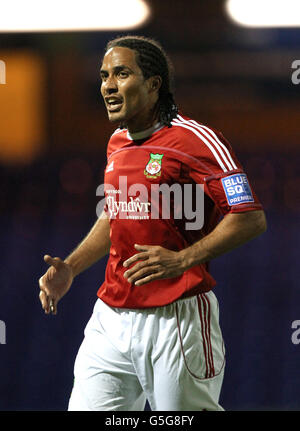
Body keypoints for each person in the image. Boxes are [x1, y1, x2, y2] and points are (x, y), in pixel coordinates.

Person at [39, 35, 267, 411]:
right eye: (103, 76)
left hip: (177, 320)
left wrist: (181, 260)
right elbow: (116, 212)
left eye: (121, 74)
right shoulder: (116, 141)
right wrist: (72, 268)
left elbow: (250, 217)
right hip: (110, 319)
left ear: (154, 84)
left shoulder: (197, 140)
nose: (108, 86)